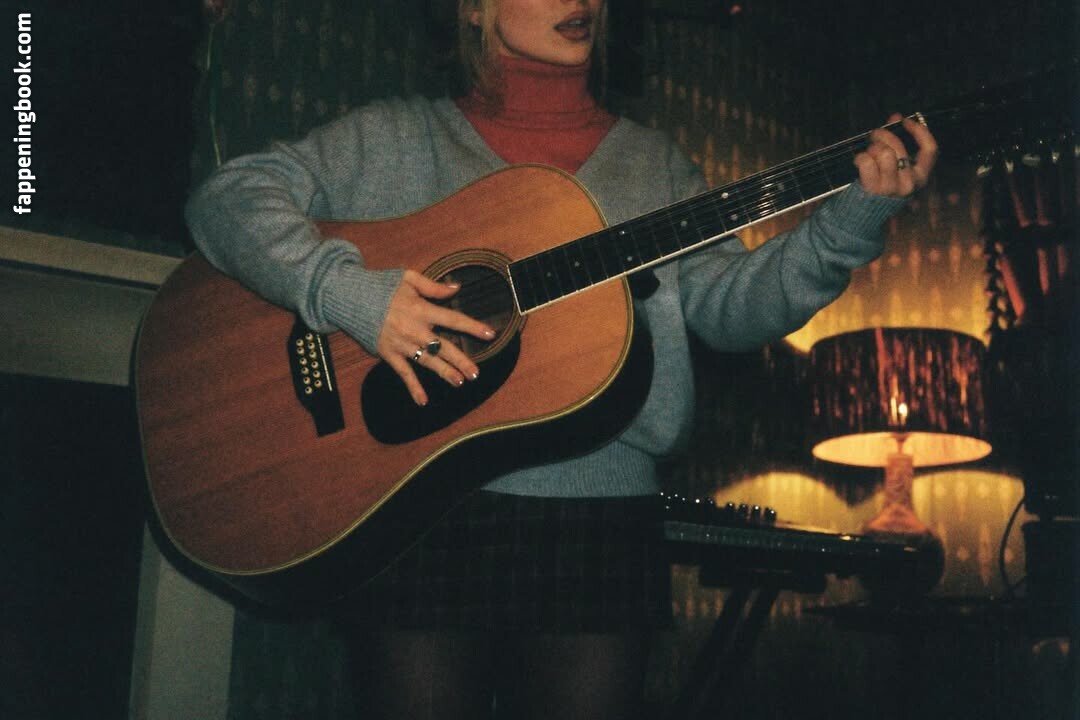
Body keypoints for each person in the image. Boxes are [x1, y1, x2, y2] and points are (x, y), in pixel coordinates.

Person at [185, 1, 938, 717]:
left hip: (601, 521)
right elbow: (227, 198)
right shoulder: (394, 137)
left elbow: (732, 311)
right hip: (420, 511)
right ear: (471, 7)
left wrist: (849, 223)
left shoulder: (654, 164)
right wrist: (348, 294)